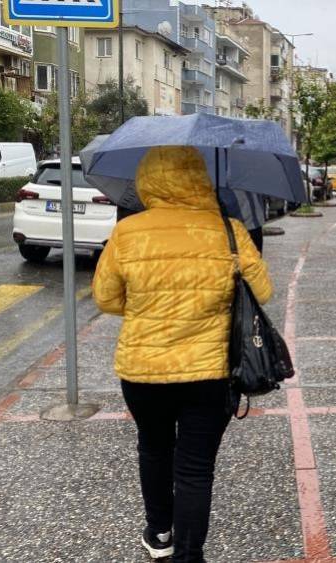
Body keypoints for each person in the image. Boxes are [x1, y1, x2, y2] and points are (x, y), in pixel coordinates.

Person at [93, 146, 272, 562]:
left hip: (143, 371)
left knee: (154, 448)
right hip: (211, 372)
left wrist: (146, 306)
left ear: (147, 180)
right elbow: (262, 292)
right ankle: (189, 555)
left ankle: (159, 534)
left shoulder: (128, 231)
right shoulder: (228, 230)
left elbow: (105, 298)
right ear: (200, 178)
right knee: (195, 466)